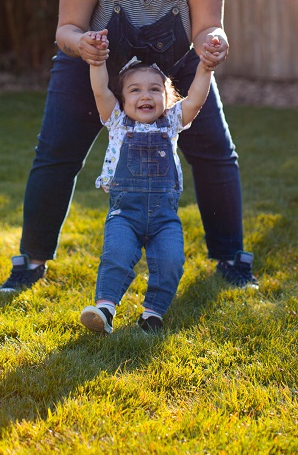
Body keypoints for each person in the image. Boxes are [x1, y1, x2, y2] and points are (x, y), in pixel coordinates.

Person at [0, 0, 258, 294]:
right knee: (56, 152)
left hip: (176, 63)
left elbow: (208, 27)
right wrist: (84, 46)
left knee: (215, 151)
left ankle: (231, 257)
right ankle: (31, 260)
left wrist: (215, 42)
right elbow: (66, 29)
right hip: (96, 58)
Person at [80, 35, 221, 335]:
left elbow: (195, 99)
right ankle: (105, 309)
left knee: (171, 261)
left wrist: (205, 69)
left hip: (163, 217)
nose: (146, 96)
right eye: (135, 90)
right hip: (125, 215)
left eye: (155, 89)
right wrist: (97, 61)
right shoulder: (116, 120)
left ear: (167, 98)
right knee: (115, 255)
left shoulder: (171, 122)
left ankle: (153, 313)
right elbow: (99, 89)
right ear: (122, 99)